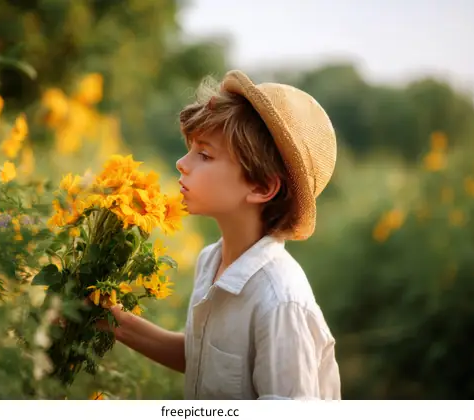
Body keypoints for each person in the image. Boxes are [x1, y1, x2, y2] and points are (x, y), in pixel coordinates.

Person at [99, 69, 341, 400]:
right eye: (190, 149)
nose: (182, 164)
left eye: (205, 155)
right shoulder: (212, 259)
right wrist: (112, 322)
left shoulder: (280, 302)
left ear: (261, 186)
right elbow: (203, 358)